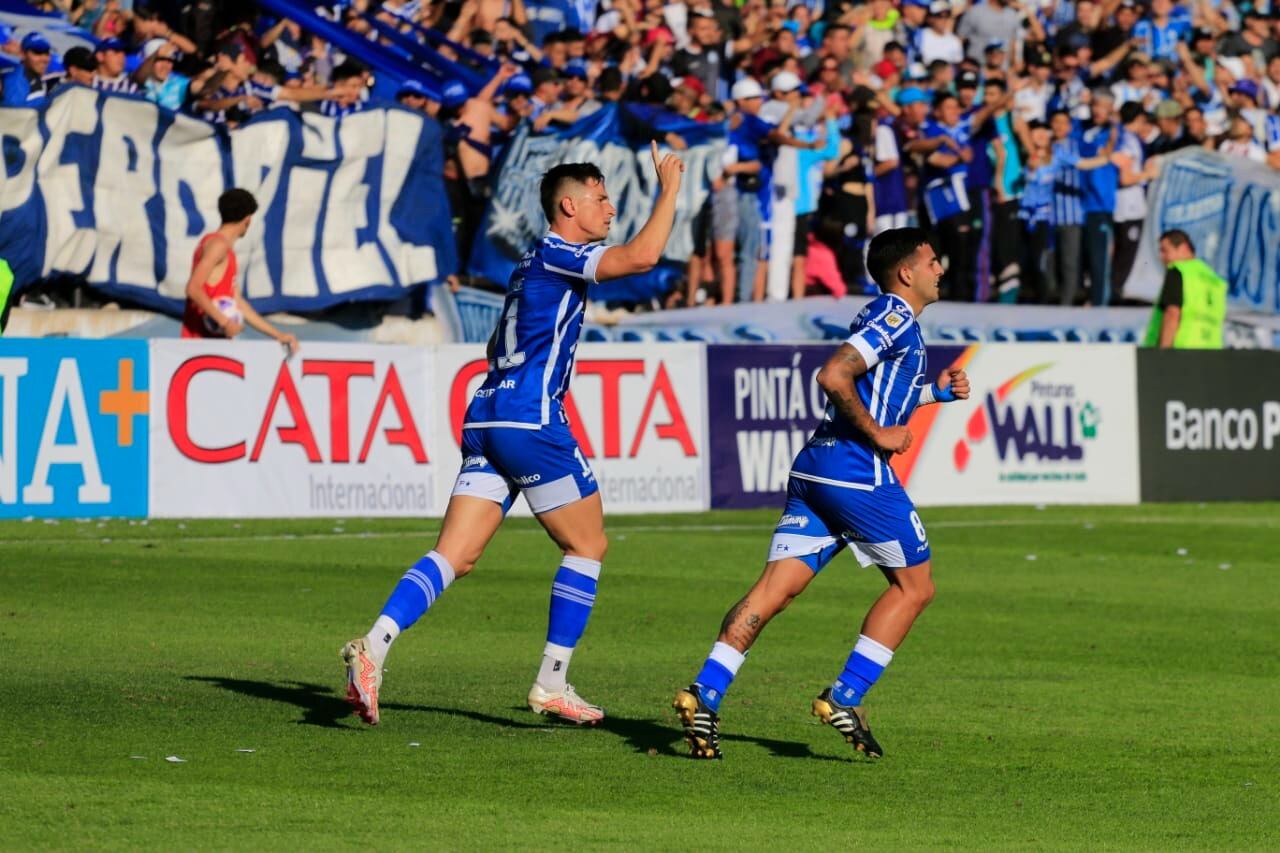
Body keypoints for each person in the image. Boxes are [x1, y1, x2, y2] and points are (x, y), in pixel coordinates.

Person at [341, 144, 686, 727]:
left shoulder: (529, 263)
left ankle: (374, 646)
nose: (609, 209)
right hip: (531, 419)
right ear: (569, 205)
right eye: (601, 199)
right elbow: (645, 257)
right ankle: (551, 682)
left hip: (486, 412)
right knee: (587, 546)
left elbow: (494, 345)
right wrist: (670, 187)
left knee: (456, 554)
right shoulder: (561, 253)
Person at [672, 227, 971, 760]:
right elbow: (834, 375)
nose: (940, 269)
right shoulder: (896, 316)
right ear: (907, 273)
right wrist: (878, 435)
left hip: (817, 468)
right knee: (915, 588)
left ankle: (704, 695)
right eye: (932, 260)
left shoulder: (886, 317)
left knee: (772, 591)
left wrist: (933, 393)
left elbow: (876, 390)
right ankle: (846, 696)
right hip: (857, 469)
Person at [181, 188, 300, 354]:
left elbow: (239, 304)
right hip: (200, 346)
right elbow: (193, 288)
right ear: (248, 219)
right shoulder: (218, 246)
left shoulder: (223, 249)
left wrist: (277, 335)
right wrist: (224, 322)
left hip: (215, 347)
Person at [1143, 230, 1227, 349]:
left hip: (1182, 350)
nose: (1161, 257)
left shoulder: (1179, 271)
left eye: (1165, 251)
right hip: (1212, 350)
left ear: (1183, 248)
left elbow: (1172, 313)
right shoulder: (1215, 281)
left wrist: (1162, 354)